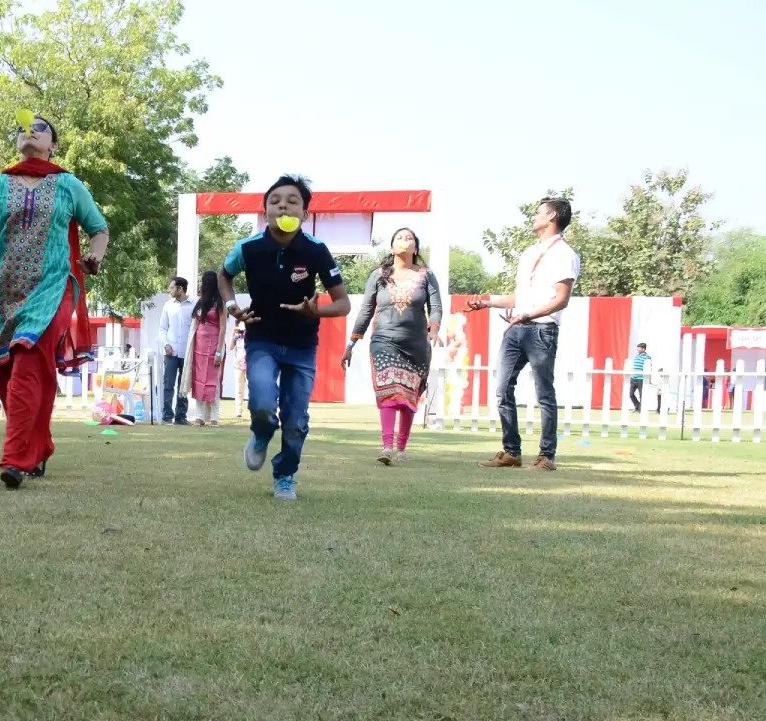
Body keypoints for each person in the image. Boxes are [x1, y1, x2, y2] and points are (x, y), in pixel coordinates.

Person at [0, 112, 109, 489]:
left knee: (27, 360)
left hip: (52, 286)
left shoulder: (68, 184)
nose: (30, 132)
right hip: (1, 291)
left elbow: (98, 228)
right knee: (9, 375)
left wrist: (95, 256)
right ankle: (37, 445)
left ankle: (16, 460)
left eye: (39, 128)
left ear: (52, 144)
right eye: (23, 129)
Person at [219, 175, 352, 501]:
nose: (283, 205)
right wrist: (232, 305)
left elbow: (343, 303)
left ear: (304, 213)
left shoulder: (316, 250)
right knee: (263, 404)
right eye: (275, 200)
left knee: (295, 420)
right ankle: (261, 432)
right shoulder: (247, 248)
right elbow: (223, 276)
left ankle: (285, 476)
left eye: (292, 200)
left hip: (302, 345)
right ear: (265, 210)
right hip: (261, 338)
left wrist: (315, 311)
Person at [468, 197, 581, 471]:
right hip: (516, 328)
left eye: (538, 213)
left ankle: (546, 456)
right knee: (502, 388)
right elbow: (519, 297)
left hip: (542, 330)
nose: (534, 217)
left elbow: (561, 299)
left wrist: (528, 315)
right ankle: (511, 452)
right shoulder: (529, 253)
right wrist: (487, 302)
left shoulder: (565, 254)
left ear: (552, 216)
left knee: (544, 393)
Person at [343, 228, 444, 465]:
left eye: (409, 238)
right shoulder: (378, 276)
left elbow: (436, 307)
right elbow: (366, 311)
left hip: (416, 345)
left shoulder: (426, 275)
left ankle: (402, 448)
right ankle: (386, 447)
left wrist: (434, 329)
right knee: (389, 391)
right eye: (399, 237)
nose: (404, 241)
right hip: (384, 342)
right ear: (391, 248)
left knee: (408, 397)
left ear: (416, 248)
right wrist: (351, 343)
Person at [182, 270, 230, 427]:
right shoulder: (201, 302)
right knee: (198, 381)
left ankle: (214, 417)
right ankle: (200, 416)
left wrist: (219, 351)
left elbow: (223, 328)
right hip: (199, 348)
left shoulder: (220, 302)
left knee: (213, 381)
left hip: (214, 347)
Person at [157, 277, 192, 425]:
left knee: (183, 385)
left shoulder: (194, 304)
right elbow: (162, 329)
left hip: (187, 351)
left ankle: (181, 416)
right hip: (171, 351)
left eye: (172, 288)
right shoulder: (168, 306)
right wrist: (166, 344)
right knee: (168, 384)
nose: (169, 290)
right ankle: (167, 415)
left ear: (180, 289)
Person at [629, 342, 650, 413]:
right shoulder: (636, 356)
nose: (637, 349)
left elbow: (649, 367)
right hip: (633, 378)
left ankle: (641, 409)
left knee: (642, 395)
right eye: (637, 347)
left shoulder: (647, 357)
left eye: (639, 348)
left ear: (643, 349)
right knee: (631, 394)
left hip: (641, 379)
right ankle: (637, 405)